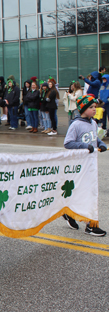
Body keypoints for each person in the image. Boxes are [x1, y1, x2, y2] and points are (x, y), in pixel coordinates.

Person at [63, 95, 107, 236]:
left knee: (85, 193)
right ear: (83, 109)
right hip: (79, 165)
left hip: (91, 164)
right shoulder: (76, 124)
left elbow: (95, 137)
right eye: (91, 107)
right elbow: (68, 143)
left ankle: (69, 213)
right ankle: (90, 225)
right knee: (87, 193)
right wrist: (84, 146)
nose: (94, 110)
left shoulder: (93, 123)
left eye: (95, 107)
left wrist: (100, 143)